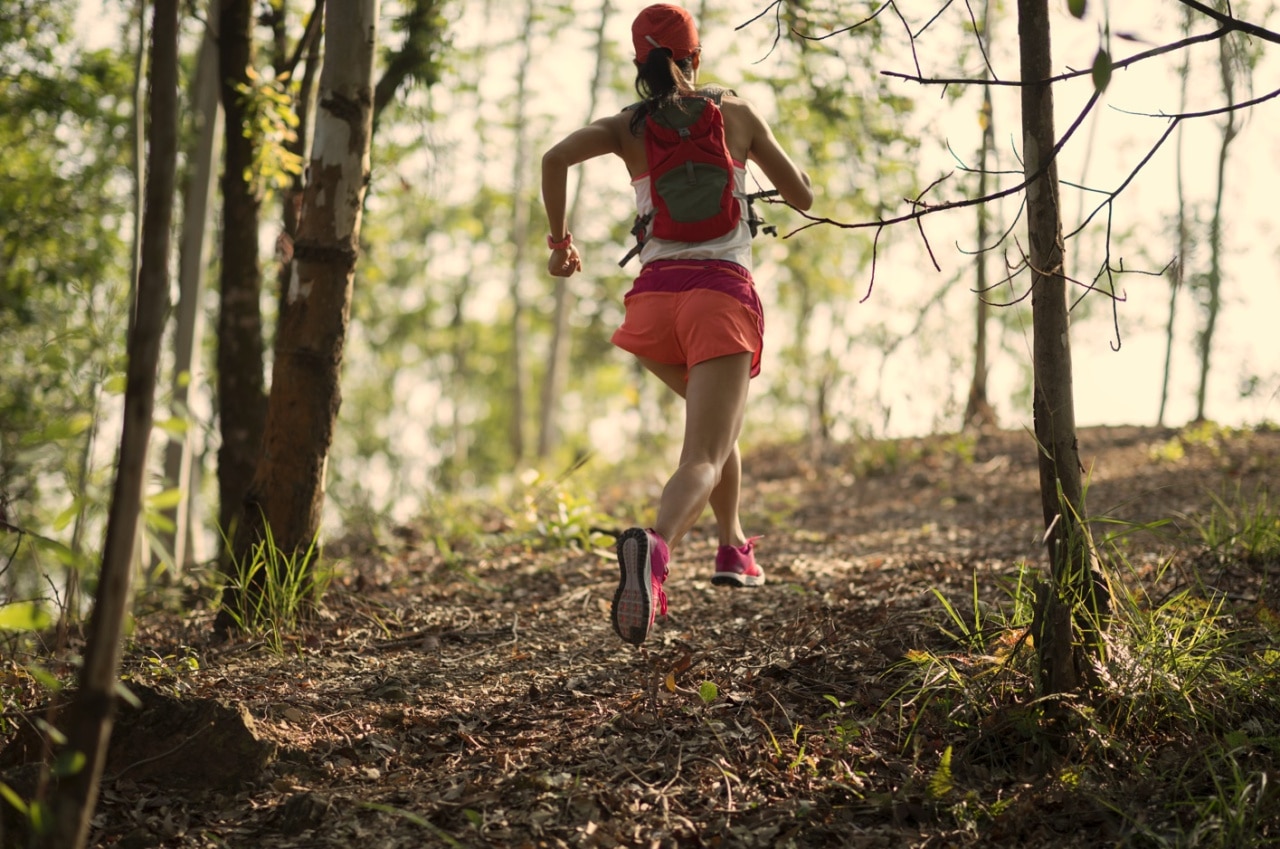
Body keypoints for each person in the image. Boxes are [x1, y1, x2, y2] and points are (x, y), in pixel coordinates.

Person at [540, 3, 813, 647]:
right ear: (696, 55)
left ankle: (732, 548)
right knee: (703, 455)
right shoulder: (737, 114)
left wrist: (560, 243)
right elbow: (801, 196)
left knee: (715, 428)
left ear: (641, 62)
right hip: (719, 300)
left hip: (654, 307)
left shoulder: (626, 126)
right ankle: (655, 548)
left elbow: (553, 158)